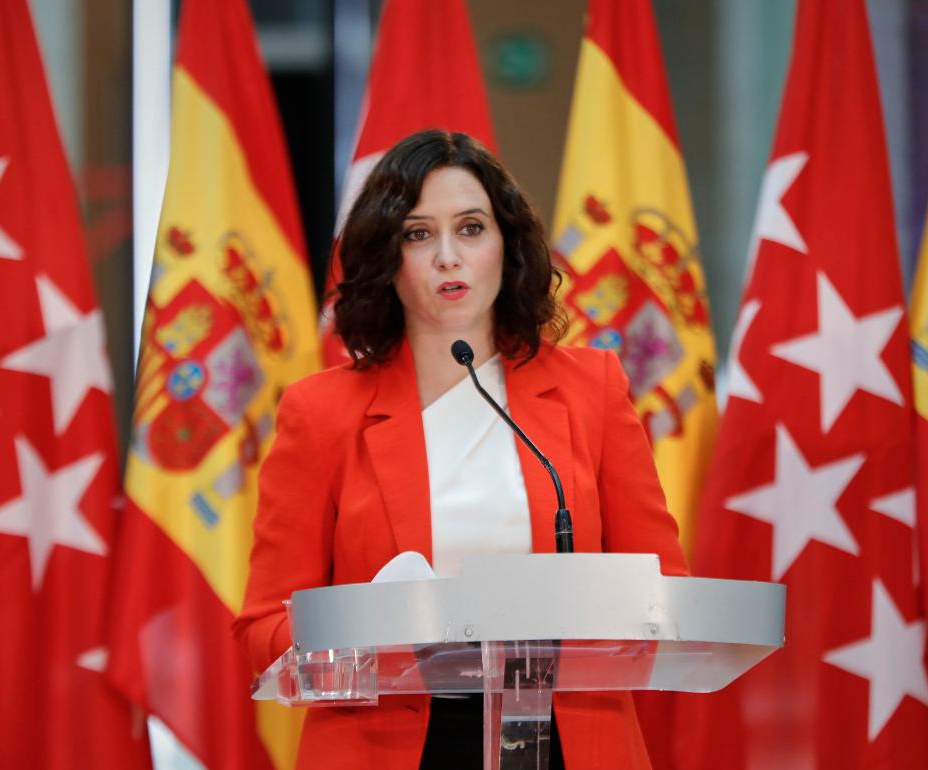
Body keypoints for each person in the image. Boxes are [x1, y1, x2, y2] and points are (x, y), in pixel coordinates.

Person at [234, 129, 688, 769]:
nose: (448, 257)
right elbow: (263, 631)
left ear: (507, 244)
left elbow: (664, 594)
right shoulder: (321, 412)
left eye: (471, 228)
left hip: (569, 742)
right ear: (387, 258)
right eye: (418, 235)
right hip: (390, 747)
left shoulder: (593, 389)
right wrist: (374, 624)